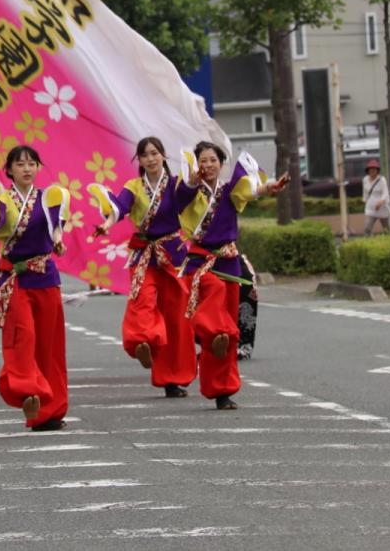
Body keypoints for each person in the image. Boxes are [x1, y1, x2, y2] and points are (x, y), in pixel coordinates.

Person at [175, 142, 286, 410]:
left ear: (221, 164)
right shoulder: (189, 190)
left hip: (228, 262)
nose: (208, 165)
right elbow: (177, 202)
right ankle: (212, 331)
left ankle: (222, 391)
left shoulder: (229, 191)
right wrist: (190, 184)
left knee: (227, 335)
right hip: (200, 261)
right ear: (197, 165)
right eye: (203, 160)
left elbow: (251, 191)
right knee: (215, 292)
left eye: (213, 160)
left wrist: (269, 187)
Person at [89, 136, 195, 398]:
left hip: (172, 254)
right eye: (145, 154)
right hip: (144, 255)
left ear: (163, 156)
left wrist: (193, 178)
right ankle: (144, 342)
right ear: (139, 160)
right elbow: (119, 207)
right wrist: (106, 224)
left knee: (175, 316)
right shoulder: (134, 187)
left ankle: (172, 379)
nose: (150, 158)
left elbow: (189, 194)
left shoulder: (174, 184)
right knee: (142, 300)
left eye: (154, 153)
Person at [0, 145, 70, 431]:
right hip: (15, 279)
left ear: (38, 167)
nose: (27, 169)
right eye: (20, 164)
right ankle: (29, 391)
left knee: (49, 346)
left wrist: (58, 241)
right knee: (23, 337)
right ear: (9, 170)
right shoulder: (0, 198)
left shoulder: (49, 197)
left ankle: (49, 412)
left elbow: (56, 226)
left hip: (45, 277)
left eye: (32, 163)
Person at [362, 159, 390, 236]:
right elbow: (365, 192)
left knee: (387, 229)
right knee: (367, 228)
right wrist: (365, 200)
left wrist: (380, 202)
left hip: (382, 208)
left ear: (377, 170)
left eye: (374, 169)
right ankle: (367, 241)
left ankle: (389, 240)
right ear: (368, 170)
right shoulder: (365, 179)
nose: (372, 171)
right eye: (370, 169)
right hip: (371, 209)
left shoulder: (382, 180)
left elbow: (385, 193)